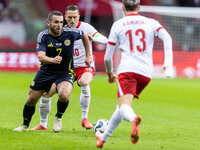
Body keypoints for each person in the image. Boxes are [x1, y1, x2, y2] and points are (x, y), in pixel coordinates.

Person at [95, 0, 173, 148]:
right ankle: (103, 139)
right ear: (139, 7)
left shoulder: (118, 25)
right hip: (145, 74)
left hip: (128, 70)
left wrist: (110, 73)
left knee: (124, 106)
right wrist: (167, 63)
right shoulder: (151, 22)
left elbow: (107, 57)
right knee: (121, 107)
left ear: (123, 8)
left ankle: (133, 119)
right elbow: (167, 38)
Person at [30, 5, 108, 131]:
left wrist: (92, 37)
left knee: (84, 82)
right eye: (69, 17)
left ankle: (84, 118)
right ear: (65, 17)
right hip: (66, 69)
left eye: (75, 17)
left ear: (79, 17)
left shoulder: (86, 27)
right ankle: (43, 124)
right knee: (46, 93)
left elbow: (105, 40)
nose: (72, 20)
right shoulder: (61, 30)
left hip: (84, 66)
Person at [14, 10, 92, 132]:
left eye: (61, 22)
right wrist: (52, 60)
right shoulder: (43, 36)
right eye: (56, 22)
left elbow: (85, 36)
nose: (59, 25)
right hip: (46, 71)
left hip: (65, 72)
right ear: (48, 23)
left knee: (64, 95)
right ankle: (24, 125)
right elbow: (40, 56)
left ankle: (58, 117)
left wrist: (88, 55)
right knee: (31, 99)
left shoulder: (71, 32)